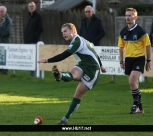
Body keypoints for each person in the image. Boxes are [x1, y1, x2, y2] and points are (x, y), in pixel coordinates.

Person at [38, 23, 106, 125]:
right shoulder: (79, 40)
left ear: (73, 31)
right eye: (62, 32)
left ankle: (65, 119)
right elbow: (94, 52)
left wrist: (46, 60)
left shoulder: (77, 42)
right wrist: (102, 65)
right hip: (83, 65)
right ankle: (61, 75)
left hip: (92, 70)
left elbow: (64, 55)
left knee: (78, 94)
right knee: (74, 73)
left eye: (65, 31)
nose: (63, 34)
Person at [118, 8, 151, 114]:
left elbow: (148, 45)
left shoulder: (141, 31)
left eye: (130, 15)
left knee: (132, 80)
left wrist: (148, 60)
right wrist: (121, 61)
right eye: (126, 15)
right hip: (128, 59)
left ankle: (135, 105)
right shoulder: (123, 31)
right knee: (134, 83)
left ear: (135, 17)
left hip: (139, 58)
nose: (127, 17)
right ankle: (140, 108)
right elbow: (121, 47)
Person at [24, 2, 43, 77]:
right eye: (30, 6)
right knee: (29, 58)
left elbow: (41, 29)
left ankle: (34, 73)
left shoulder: (38, 16)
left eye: (32, 6)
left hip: (34, 41)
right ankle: (31, 73)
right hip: (28, 40)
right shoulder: (29, 16)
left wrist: (34, 36)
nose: (31, 8)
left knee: (34, 58)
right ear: (28, 8)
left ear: (35, 7)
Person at [0, 6, 12, 75]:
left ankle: (5, 70)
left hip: (5, 42)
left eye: (2, 11)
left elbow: (8, 32)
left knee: (5, 56)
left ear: (5, 12)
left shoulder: (8, 20)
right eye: (0, 11)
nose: (0, 13)